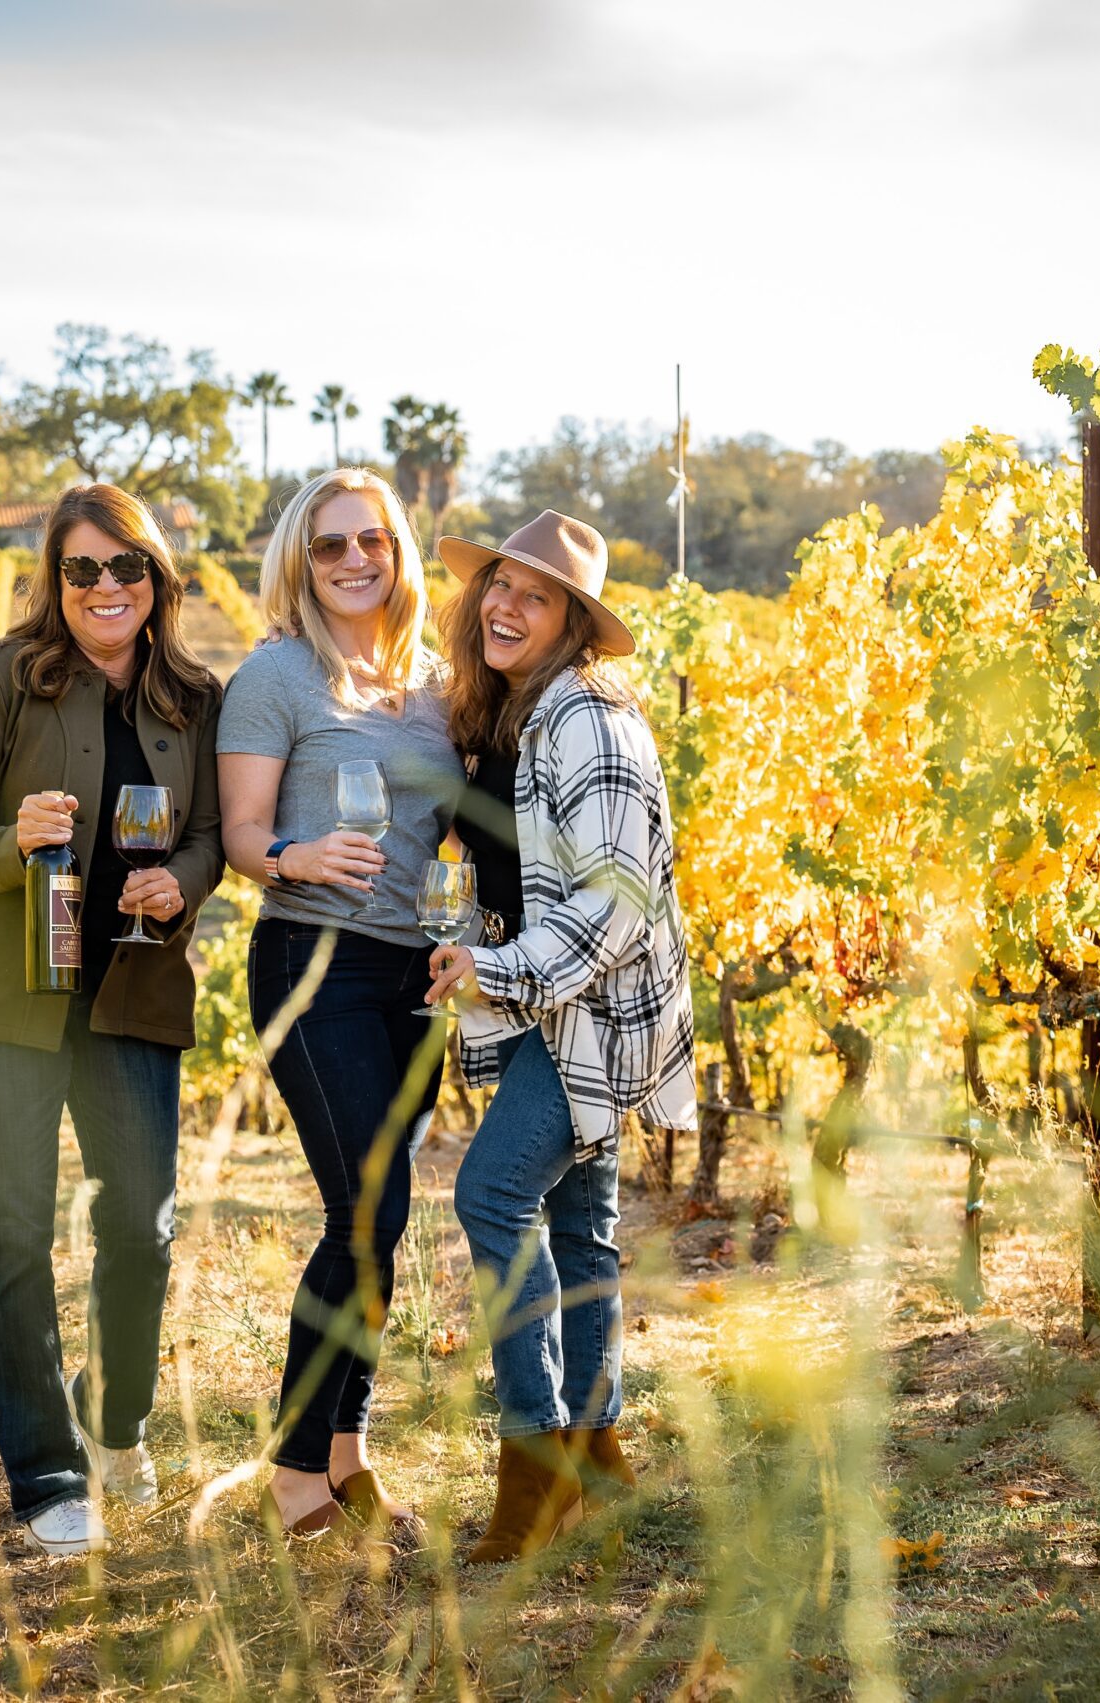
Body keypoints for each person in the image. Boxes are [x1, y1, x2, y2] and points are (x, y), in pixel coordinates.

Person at [0, 483, 223, 1558]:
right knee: (19, 1232)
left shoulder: (192, 697)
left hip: (129, 985)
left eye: (127, 566)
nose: (106, 587)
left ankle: (115, 1420)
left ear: (156, 576)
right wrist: (14, 838)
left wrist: (178, 881)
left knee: (141, 1222)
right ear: (55, 578)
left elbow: (211, 835)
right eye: (82, 569)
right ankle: (44, 1474)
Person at [424, 510, 697, 1564]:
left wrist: (496, 970)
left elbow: (615, 904)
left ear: (573, 622)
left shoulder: (589, 719)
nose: (502, 603)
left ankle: (534, 1464)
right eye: (496, 584)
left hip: (590, 1012)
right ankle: (599, 1459)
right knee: (579, 1227)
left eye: (532, 595)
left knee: (490, 1192)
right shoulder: (512, 714)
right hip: (550, 1004)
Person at [216, 467, 461, 1546]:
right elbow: (237, 833)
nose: (355, 560)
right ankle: (293, 1471)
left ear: (399, 549)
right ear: (299, 562)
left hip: (413, 975)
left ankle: (349, 1451)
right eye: (330, 547)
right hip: (312, 960)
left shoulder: (435, 685)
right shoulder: (275, 675)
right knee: (361, 1209)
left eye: (372, 540)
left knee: (388, 1219)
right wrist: (295, 853)